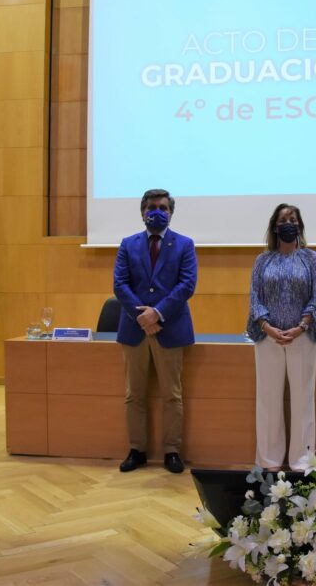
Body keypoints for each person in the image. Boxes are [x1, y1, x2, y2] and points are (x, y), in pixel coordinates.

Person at [113, 188, 197, 474]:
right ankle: (137, 449)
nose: (157, 212)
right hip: (135, 330)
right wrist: (143, 316)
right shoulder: (127, 244)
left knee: (172, 394)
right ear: (142, 212)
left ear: (171, 212)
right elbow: (120, 284)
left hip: (169, 328)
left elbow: (187, 285)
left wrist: (157, 313)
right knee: (133, 394)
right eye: (151, 207)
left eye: (163, 207)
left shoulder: (185, 245)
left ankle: (172, 451)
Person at [246, 204, 316, 471]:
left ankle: (303, 461)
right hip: (268, 338)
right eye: (283, 220)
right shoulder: (263, 260)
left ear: (300, 225)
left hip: (301, 337)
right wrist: (267, 326)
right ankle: (269, 460)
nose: (288, 223)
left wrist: (301, 327)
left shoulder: (312, 259)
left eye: (293, 219)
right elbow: (255, 297)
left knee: (303, 399)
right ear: (274, 226)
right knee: (268, 399)